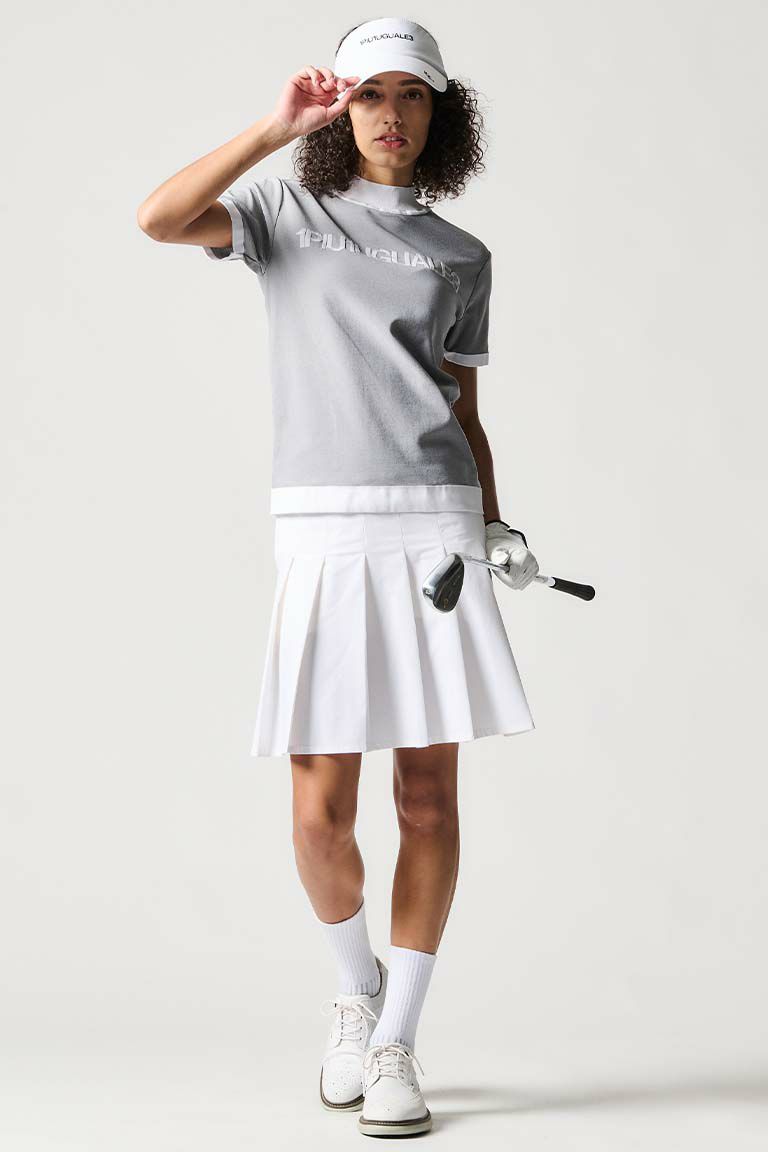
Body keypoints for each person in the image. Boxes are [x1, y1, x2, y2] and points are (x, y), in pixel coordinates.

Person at [137, 15, 539, 1138]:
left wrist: (495, 521)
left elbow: (461, 408)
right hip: (323, 528)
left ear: (440, 114)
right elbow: (158, 217)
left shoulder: (463, 256)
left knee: (427, 796)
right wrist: (275, 127)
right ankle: (355, 992)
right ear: (341, 108)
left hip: (436, 528)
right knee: (320, 813)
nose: (390, 115)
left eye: (411, 96)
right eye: (370, 95)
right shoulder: (285, 213)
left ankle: (399, 1039)